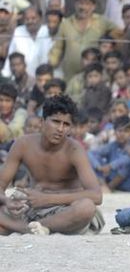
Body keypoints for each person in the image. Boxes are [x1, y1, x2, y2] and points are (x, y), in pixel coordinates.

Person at [0, 95, 104, 235]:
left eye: (66, 124)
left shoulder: (74, 150)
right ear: (42, 122)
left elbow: (96, 195)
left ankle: (28, 228)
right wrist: (6, 201)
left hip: (63, 210)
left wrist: (46, 199)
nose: (60, 129)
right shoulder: (23, 144)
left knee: (86, 207)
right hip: (29, 208)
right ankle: (29, 228)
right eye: (56, 122)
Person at [49, 0, 120, 79]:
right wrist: (52, 63)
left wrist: (108, 47)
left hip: (94, 76)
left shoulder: (102, 22)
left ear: (93, 6)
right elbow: (57, 48)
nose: (83, 7)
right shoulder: (65, 24)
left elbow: (118, 33)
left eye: (87, 4)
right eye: (80, 3)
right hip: (70, 77)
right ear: (75, 4)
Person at [87, 115, 130, 193]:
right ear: (114, 132)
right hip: (108, 179)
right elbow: (91, 153)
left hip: (126, 186)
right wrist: (98, 166)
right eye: (119, 131)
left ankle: (108, 188)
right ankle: (104, 185)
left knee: (125, 164)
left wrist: (110, 166)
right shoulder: (113, 145)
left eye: (126, 131)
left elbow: (126, 160)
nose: (122, 134)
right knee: (92, 158)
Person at [2, 6, 50, 78]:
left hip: (44, 78)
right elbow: (11, 55)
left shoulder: (47, 31)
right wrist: (5, 76)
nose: (30, 21)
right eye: (27, 19)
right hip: (22, 79)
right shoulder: (19, 31)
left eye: (33, 18)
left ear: (40, 18)